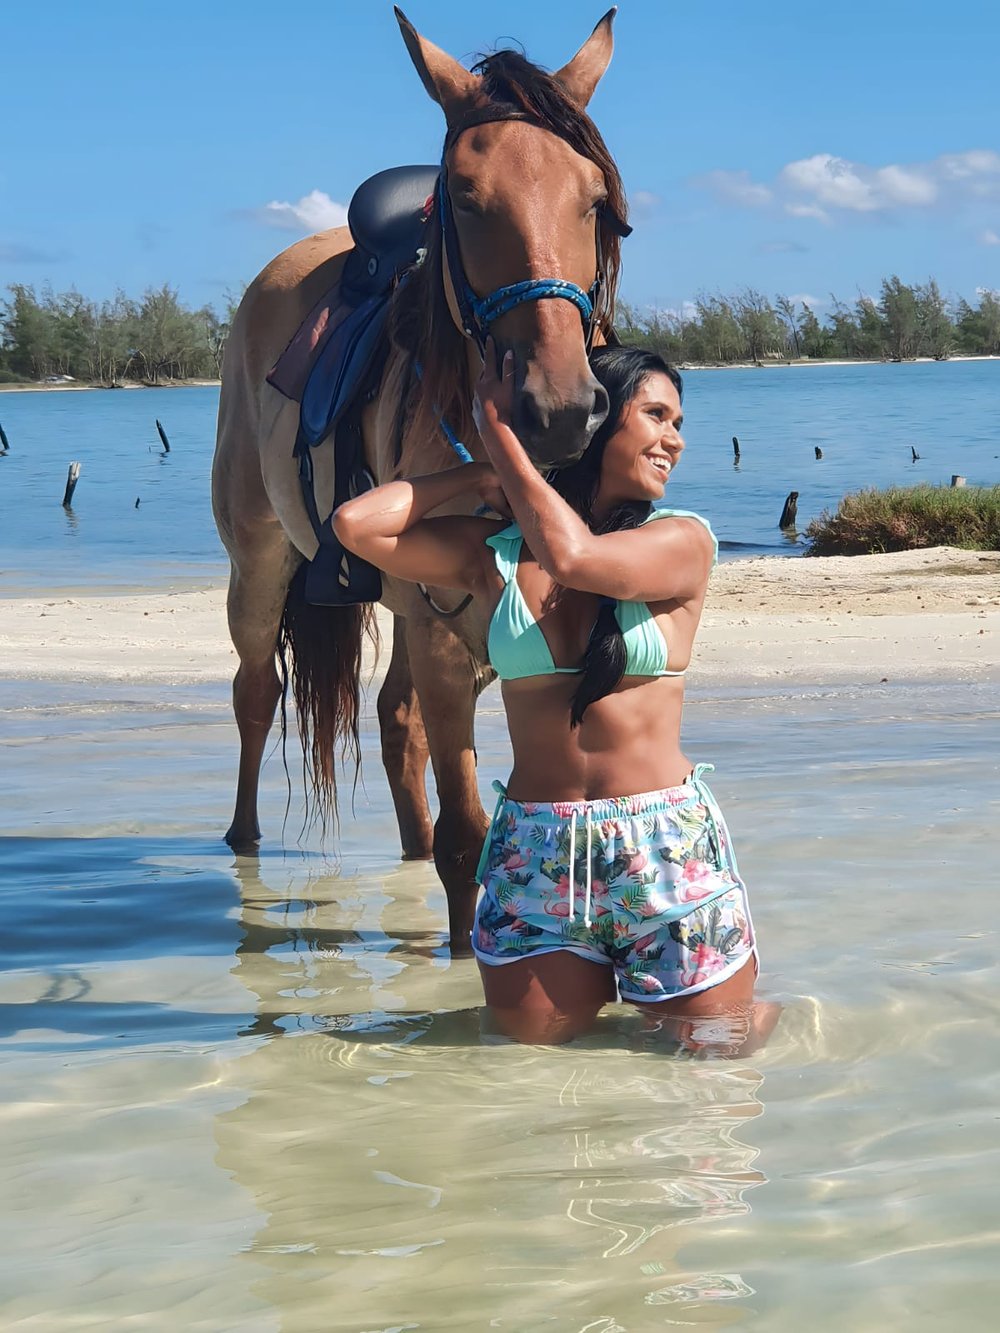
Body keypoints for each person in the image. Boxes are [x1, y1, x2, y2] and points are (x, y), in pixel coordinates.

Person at [334, 340, 771, 1050]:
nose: (676, 440)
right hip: (536, 856)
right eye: (656, 415)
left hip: (664, 852)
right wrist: (476, 474)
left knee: (717, 1057)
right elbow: (358, 527)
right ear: (600, 423)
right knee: (531, 1072)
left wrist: (500, 436)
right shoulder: (497, 554)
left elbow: (577, 558)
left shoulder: (683, 540)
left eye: (678, 421)